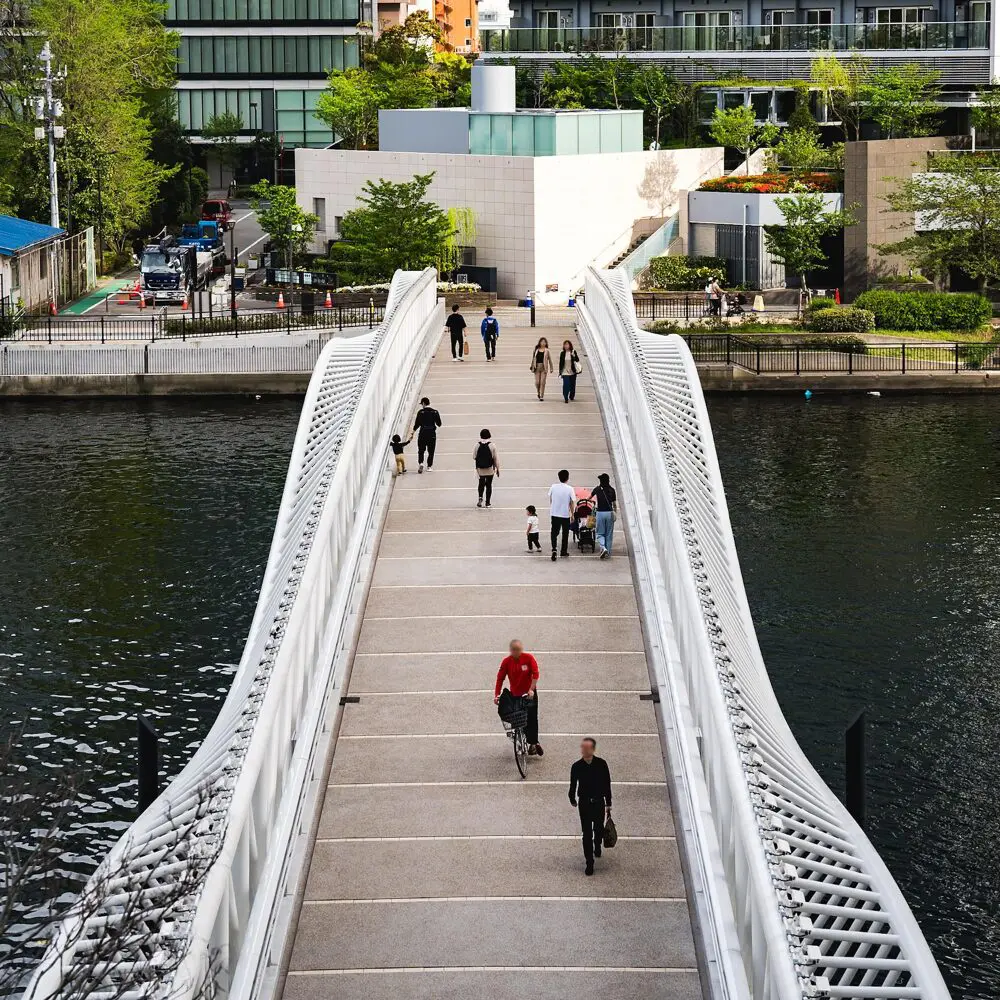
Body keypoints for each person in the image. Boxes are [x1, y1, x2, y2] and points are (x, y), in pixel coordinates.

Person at [569, 737, 612, 875]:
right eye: (583, 747)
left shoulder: (601, 764)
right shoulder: (576, 766)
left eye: (587, 748)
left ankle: (598, 843)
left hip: (599, 802)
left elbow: (607, 784)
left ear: (592, 749)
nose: (584, 750)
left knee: (598, 829)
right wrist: (572, 798)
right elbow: (573, 785)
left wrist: (608, 802)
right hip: (585, 803)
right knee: (586, 833)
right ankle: (589, 862)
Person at [494, 639, 542, 756]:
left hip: (529, 693)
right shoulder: (506, 662)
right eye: (514, 650)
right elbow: (500, 678)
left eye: (519, 650)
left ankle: (534, 743)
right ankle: (521, 736)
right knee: (518, 718)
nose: (517, 652)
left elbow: (535, 674)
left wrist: (531, 689)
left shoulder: (528, 658)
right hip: (515, 694)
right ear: (511, 650)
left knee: (531, 717)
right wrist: (496, 694)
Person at [548, 468, 575, 561]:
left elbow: (550, 498)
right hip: (565, 515)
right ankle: (563, 551)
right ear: (567, 478)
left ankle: (554, 549)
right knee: (565, 533)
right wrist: (573, 514)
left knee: (554, 532)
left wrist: (553, 507)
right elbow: (571, 503)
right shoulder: (570, 489)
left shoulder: (553, 487)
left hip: (554, 513)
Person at [590, 473, 618, 559]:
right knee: (609, 534)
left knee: (600, 533)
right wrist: (615, 513)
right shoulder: (612, 490)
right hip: (609, 513)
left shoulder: (598, 489)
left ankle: (603, 548)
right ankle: (608, 552)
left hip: (600, 513)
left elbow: (589, 498)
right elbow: (614, 504)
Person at [413, 397, 442, 473]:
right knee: (431, 451)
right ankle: (429, 466)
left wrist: (413, 432)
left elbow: (417, 424)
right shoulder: (435, 412)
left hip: (422, 433)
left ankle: (421, 463)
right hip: (431, 434)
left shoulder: (420, 412)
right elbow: (439, 424)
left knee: (421, 450)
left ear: (423, 403)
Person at [474, 428, 500, 508]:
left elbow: (474, 456)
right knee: (489, 485)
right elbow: (495, 458)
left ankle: (480, 498)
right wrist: (497, 468)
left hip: (480, 469)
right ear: (489, 435)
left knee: (481, 483)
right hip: (490, 469)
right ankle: (488, 502)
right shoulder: (492, 445)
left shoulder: (477, 445)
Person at [530, 336, 553, 401]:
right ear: (539, 342)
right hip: (537, 367)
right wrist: (532, 367)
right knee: (537, 382)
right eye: (542, 342)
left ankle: (541, 396)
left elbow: (550, 360)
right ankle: (538, 392)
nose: (543, 343)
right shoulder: (536, 350)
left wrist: (551, 368)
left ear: (546, 343)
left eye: (544, 342)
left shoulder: (547, 351)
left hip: (544, 368)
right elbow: (533, 359)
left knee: (542, 382)